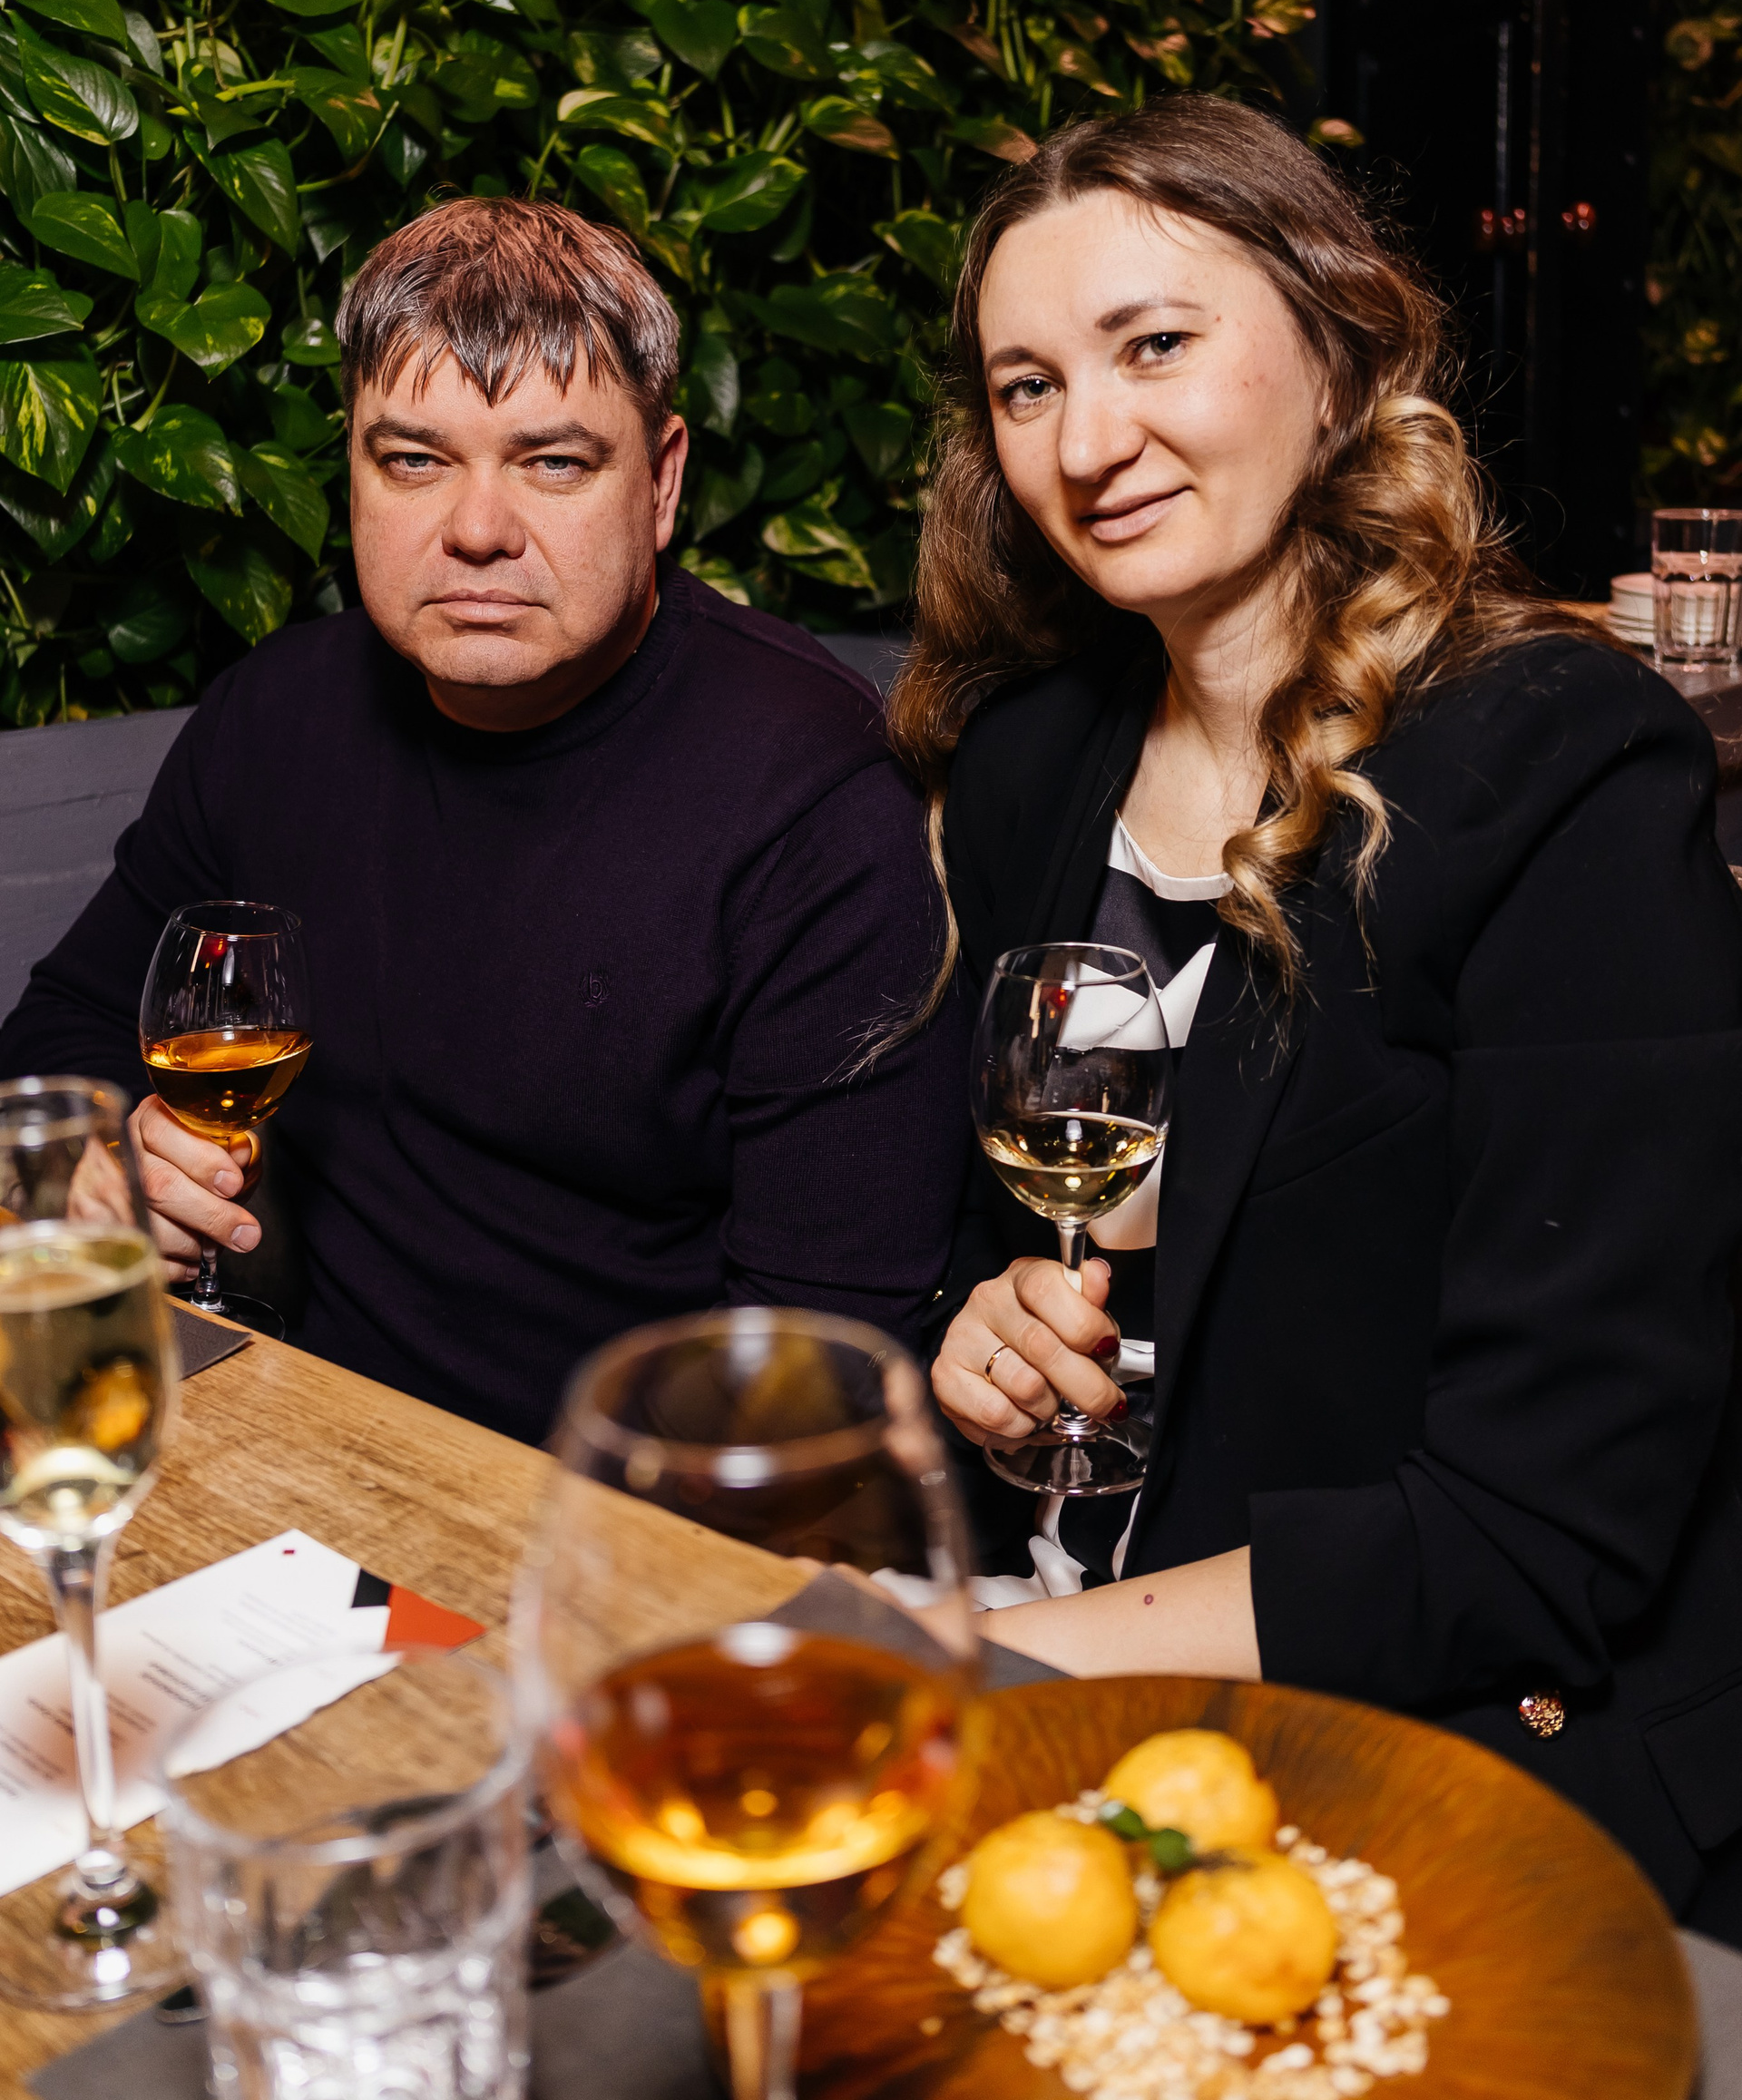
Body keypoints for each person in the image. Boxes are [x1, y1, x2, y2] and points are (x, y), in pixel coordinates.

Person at [889, 96, 1742, 1936]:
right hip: (1094, 1672)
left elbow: (1542, 1533)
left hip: (1467, 1755)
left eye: (1154, 346)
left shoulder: (1563, 773)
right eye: (1028, 387)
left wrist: (985, 1657)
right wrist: (988, 1342)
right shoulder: (1034, 764)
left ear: (1341, 353)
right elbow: (1011, 1258)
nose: (1086, 444)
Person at [0, 196, 967, 1443]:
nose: (475, 531)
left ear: (663, 481)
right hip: (273, 1422)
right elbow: (61, 1033)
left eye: (554, 463)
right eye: (414, 460)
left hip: (618, 1497)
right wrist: (97, 1163)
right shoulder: (277, 714)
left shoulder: (822, 804)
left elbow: (820, 1363)